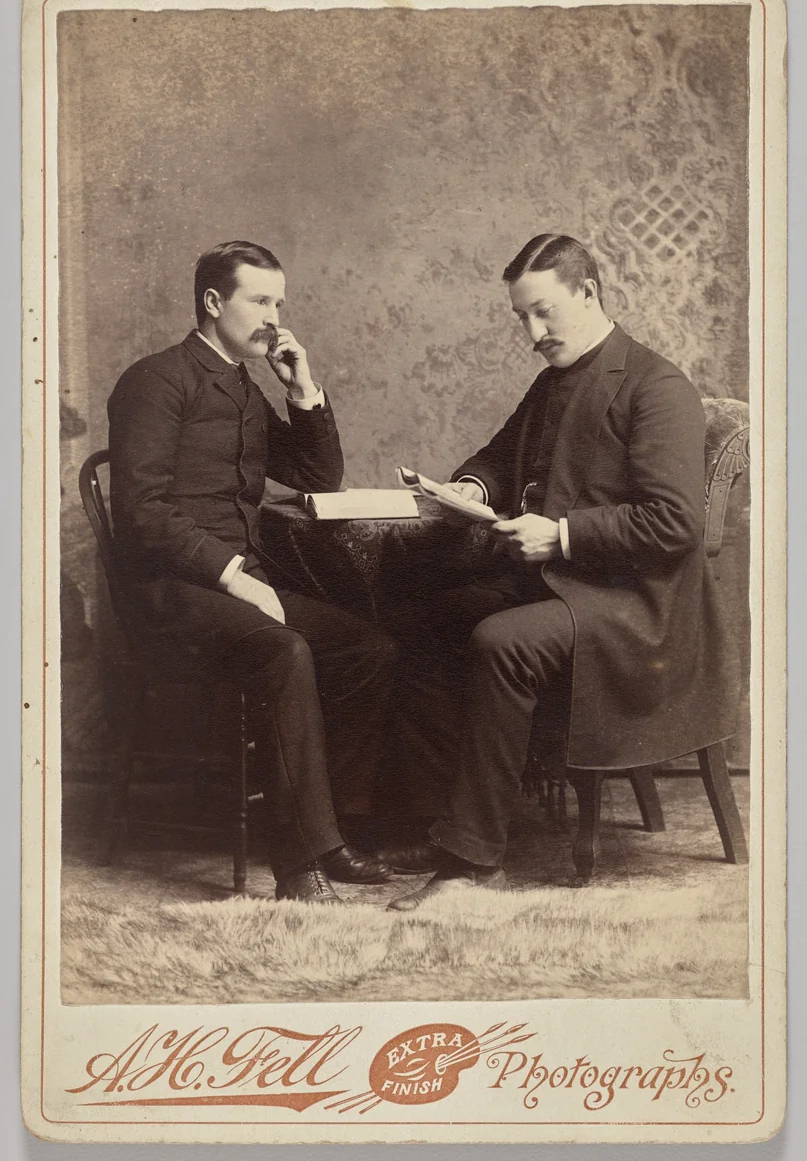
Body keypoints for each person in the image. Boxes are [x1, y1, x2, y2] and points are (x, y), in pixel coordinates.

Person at [380, 232, 737, 910]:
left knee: (502, 640)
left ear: (588, 292)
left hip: (636, 606)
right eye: (522, 317)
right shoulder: (552, 382)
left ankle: (473, 866)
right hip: (565, 587)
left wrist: (562, 535)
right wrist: (472, 489)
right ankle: (443, 825)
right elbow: (496, 455)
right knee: (422, 622)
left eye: (543, 312)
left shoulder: (657, 387)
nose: (532, 334)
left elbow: (674, 524)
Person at [107, 240, 396, 903]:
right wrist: (233, 575)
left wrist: (302, 391)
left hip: (238, 586)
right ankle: (298, 863)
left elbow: (316, 476)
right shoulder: (155, 380)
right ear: (214, 302)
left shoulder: (242, 385)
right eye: (260, 300)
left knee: (367, 649)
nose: (274, 318)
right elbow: (141, 513)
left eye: (279, 304)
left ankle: (334, 831)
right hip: (170, 593)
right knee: (283, 650)